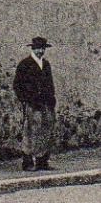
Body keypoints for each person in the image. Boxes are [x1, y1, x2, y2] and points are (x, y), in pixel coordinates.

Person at [14, 36, 57, 172]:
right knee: (31, 131)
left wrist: (51, 99)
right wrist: (26, 100)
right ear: (33, 48)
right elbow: (17, 85)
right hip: (32, 103)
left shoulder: (46, 64)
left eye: (42, 48)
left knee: (46, 130)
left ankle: (42, 161)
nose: (40, 51)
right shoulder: (25, 64)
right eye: (37, 48)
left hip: (46, 103)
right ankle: (27, 162)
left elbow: (50, 83)